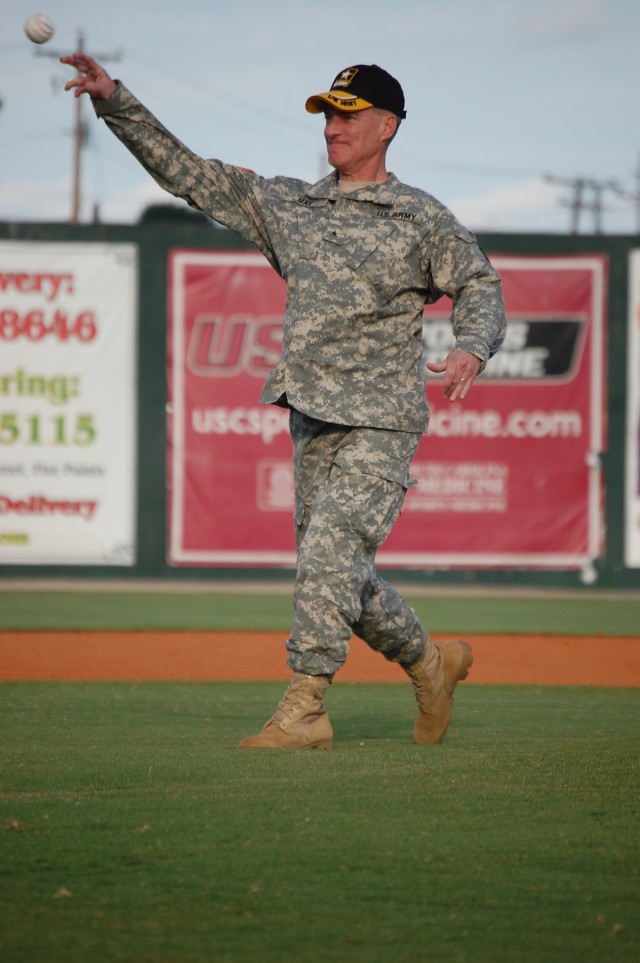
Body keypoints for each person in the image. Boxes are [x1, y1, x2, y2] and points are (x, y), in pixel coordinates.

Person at [61, 56, 506, 750]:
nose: (333, 125)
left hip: (381, 421)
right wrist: (116, 101)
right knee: (339, 578)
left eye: (347, 114)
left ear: (386, 127)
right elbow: (190, 174)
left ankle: (305, 706)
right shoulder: (293, 204)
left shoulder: (419, 216)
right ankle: (431, 660)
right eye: (328, 113)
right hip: (312, 418)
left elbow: (479, 284)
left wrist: (471, 346)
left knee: (329, 554)